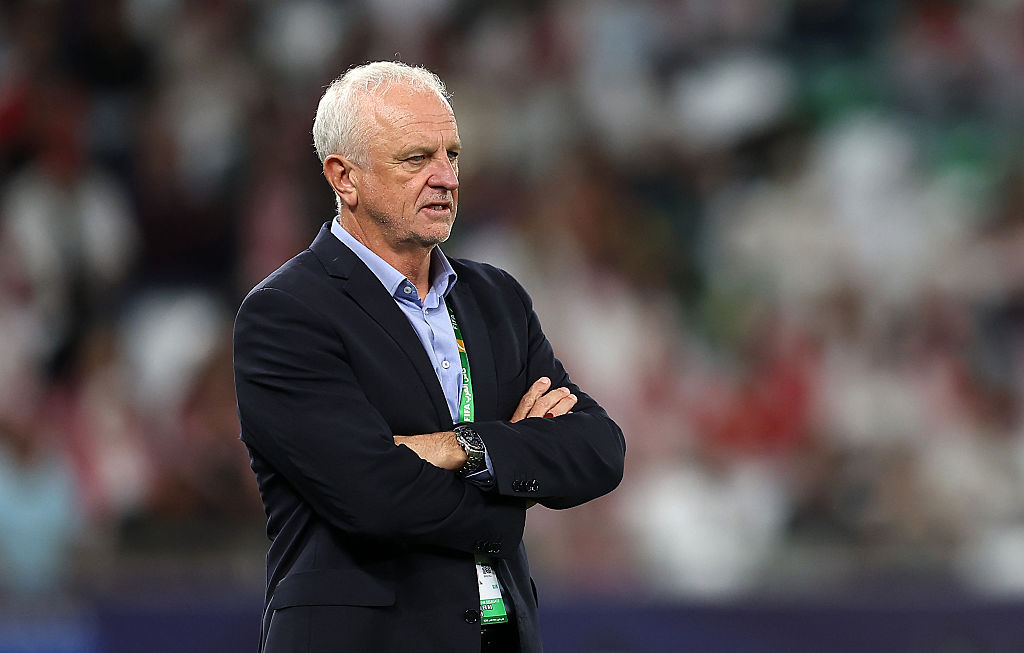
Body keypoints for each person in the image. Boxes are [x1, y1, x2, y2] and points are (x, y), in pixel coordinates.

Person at [232, 61, 625, 653]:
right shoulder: (287, 314)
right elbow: (374, 498)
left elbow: (599, 448)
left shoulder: (497, 299)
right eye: (416, 159)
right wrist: (513, 483)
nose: (446, 178)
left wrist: (458, 446)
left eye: (453, 155)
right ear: (345, 178)